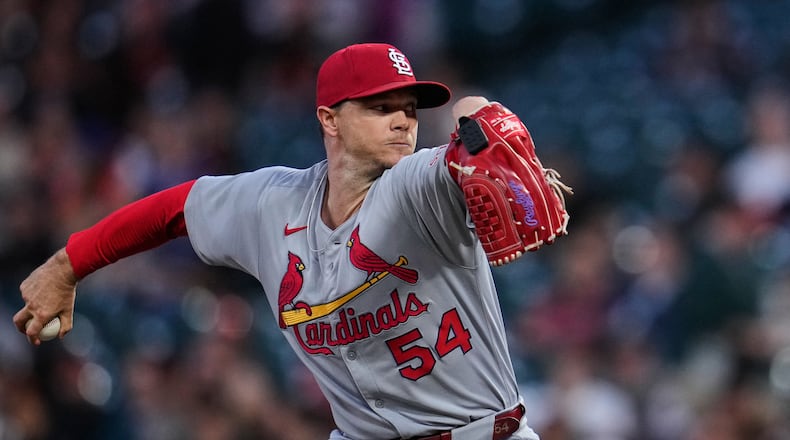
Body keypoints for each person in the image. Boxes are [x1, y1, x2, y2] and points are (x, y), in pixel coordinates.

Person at [14, 43, 546, 440]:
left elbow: (470, 132)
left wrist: (476, 116)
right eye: (381, 108)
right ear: (329, 119)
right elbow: (173, 210)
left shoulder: (419, 183)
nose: (404, 122)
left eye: (410, 108)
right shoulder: (273, 204)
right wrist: (67, 266)